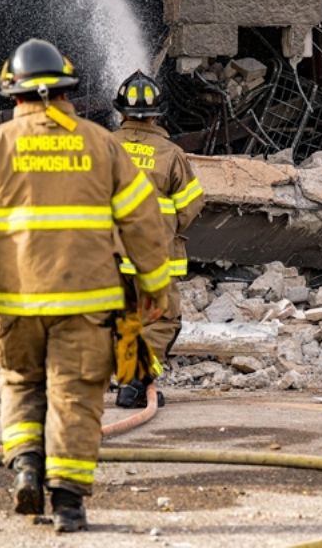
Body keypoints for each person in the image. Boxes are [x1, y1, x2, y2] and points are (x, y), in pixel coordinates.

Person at [0, 39, 172, 532]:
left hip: (19, 304)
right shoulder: (101, 144)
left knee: (20, 385)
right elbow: (143, 220)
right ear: (66, 93)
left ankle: (26, 469)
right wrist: (155, 284)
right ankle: (68, 504)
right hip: (88, 304)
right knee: (76, 396)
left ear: (15, 96)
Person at [111, 70, 205, 409]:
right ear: (156, 114)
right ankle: (135, 383)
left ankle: (125, 378)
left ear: (120, 112)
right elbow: (191, 205)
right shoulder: (171, 155)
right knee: (162, 319)